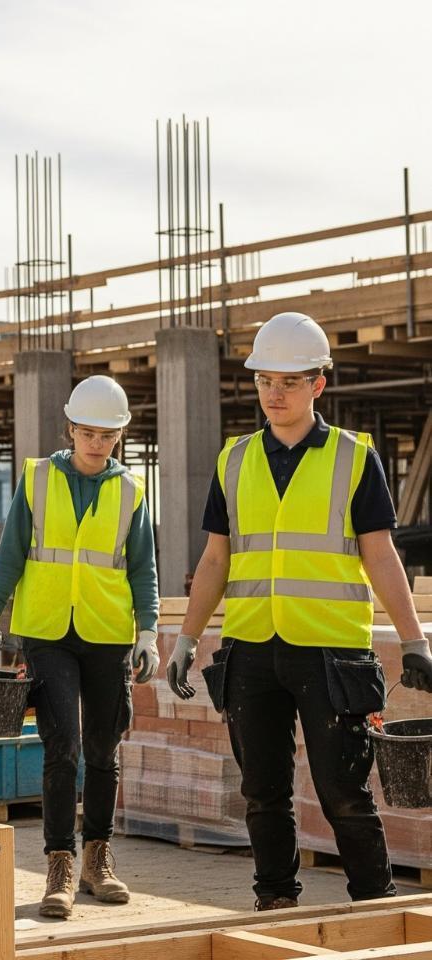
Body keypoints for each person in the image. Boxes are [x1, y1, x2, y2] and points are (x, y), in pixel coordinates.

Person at [168, 311, 432, 911]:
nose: (275, 393)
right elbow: (215, 560)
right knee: (263, 793)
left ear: (318, 384)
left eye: (289, 381)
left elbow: (381, 554)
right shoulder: (232, 461)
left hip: (332, 651)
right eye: (265, 380)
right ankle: (276, 905)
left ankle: (374, 908)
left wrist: (414, 640)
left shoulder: (352, 458)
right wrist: (186, 639)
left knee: (344, 794)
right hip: (252, 649)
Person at [0, 374, 158, 919]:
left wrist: (147, 630)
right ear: (70, 429)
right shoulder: (35, 479)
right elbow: (11, 551)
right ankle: (59, 863)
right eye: (87, 432)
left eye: (107, 435)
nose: (96, 443)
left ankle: (97, 860)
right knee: (63, 749)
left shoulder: (131, 491)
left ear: (118, 437)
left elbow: (142, 566)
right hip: (48, 631)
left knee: (104, 750)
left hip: (107, 632)